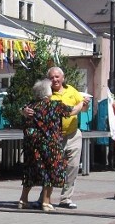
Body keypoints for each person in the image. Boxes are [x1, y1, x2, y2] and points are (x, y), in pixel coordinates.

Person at [23, 67, 89, 209]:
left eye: (57, 77)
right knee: (51, 168)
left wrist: (84, 104)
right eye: (52, 77)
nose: (55, 79)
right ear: (48, 80)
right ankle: (44, 200)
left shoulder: (71, 90)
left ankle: (65, 198)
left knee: (72, 166)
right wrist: (24, 111)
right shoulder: (46, 94)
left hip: (71, 134)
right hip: (53, 138)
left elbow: (83, 108)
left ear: (63, 78)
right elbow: (72, 110)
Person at [18, 79, 74, 212]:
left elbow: (21, 111)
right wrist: (82, 103)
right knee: (51, 171)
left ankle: (23, 200)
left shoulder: (29, 106)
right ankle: (46, 202)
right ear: (47, 92)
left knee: (30, 171)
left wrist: (22, 110)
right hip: (50, 144)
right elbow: (72, 111)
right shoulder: (54, 105)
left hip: (32, 145)